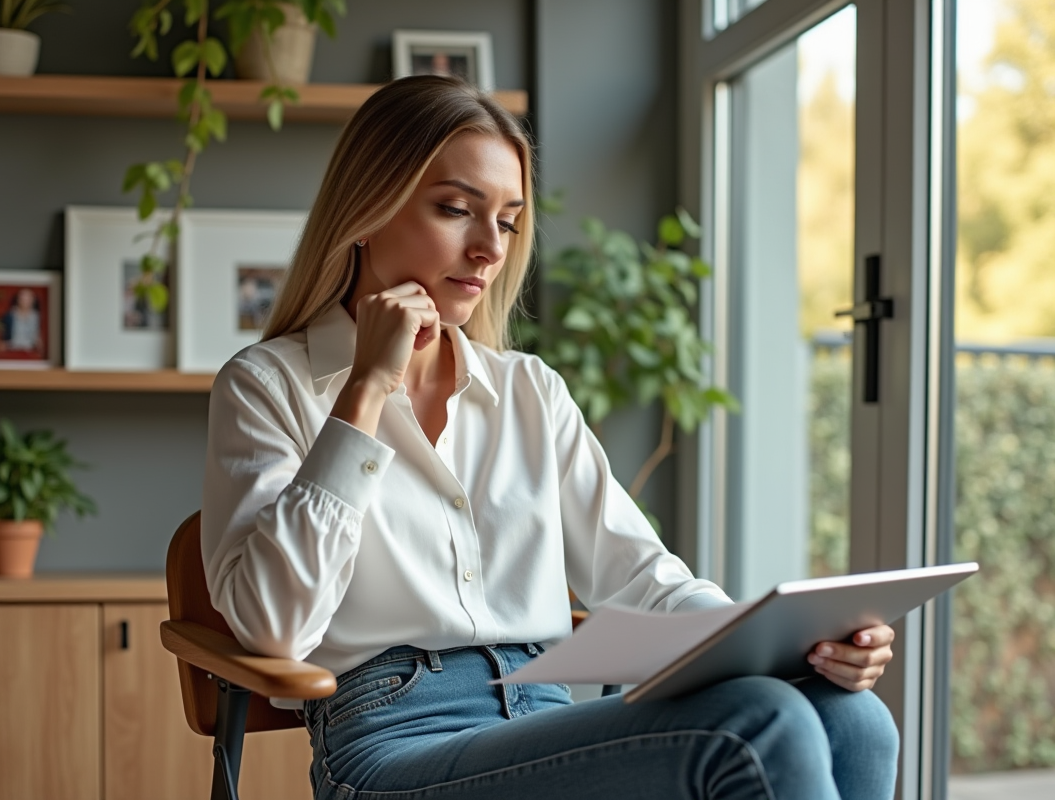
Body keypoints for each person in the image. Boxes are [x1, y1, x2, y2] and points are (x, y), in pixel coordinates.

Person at [201, 76, 899, 800]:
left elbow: (640, 581)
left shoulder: (528, 390)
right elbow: (272, 631)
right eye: (455, 209)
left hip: (543, 717)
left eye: (505, 221)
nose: (486, 249)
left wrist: (791, 647)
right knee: (757, 724)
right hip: (390, 743)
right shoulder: (266, 386)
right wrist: (366, 391)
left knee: (852, 719)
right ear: (367, 210)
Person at [0, 287, 42, 353]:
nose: (25, 300)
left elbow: (37, 335)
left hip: (29, 349)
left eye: (28, 298)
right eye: (22, 297)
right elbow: (2, 333)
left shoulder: (35, 316)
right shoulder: (9, 315)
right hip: (12, 348)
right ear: (17, 299)